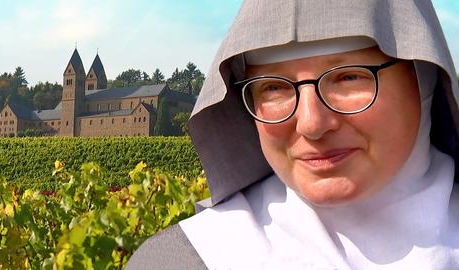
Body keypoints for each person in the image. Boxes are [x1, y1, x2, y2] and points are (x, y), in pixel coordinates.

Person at [126, 0, 459, 269]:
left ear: (424, 77)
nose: (312, 123)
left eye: (348, 78)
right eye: (273, 87)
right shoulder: (186, 260)